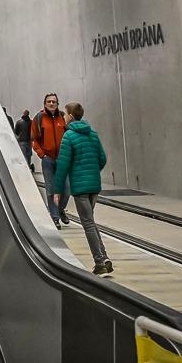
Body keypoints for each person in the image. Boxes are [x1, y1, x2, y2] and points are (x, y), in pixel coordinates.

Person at [54, 102, 113, 276]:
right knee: (90, 221)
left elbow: (63, 165)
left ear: (71, 116)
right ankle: (105, 257)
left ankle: (99, 261)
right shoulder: (93, 134)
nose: (63, 117)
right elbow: (102, 159)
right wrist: (92, 172)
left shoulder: (69, 136)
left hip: (80, 187)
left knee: (87, 223)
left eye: (65, 114)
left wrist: (57, 189)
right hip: (94, 186)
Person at [31, 92, 71, 227]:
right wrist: (41, 154)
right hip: (48, 159)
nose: (51, 103)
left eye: (54, 101)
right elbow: (34, 139)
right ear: (45, 103)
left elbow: (69, 136)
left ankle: (60, 210)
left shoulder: (62, 118)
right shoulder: (38, 118)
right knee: (51, 189)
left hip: (62, 159)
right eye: (49, 101)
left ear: (57, 103)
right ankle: (55, 217)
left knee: (66, 189)